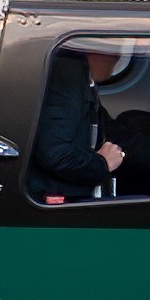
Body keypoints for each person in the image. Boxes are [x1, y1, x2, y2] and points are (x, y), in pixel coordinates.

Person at [28, 44, 130, 200]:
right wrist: (102, 164)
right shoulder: (67, 79)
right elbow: (56, 154)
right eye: (115, 52)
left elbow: (111, 129)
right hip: (52, 195)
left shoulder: (83, 82)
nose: (118, 58)